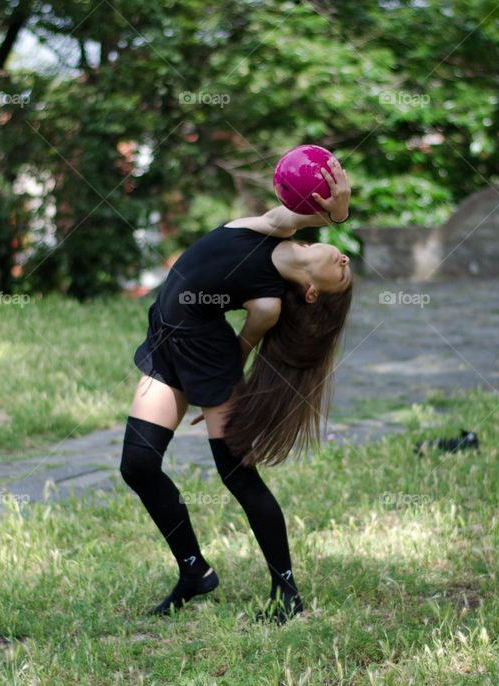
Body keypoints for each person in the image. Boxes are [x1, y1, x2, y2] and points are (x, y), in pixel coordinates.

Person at [120, 158, 354, 624]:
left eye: (343, 276)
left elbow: (243, 345)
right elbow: (304, 210)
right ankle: (194, 571)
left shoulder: (266, 303)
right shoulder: (272, 227)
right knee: (138, 466)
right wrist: (340, 209)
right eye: (346, 263)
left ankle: (286, 591)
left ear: (311, 292)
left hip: (205, 355)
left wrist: (221, 391)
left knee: (238, 477)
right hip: (165, 338)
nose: (345, 261)